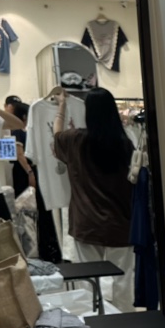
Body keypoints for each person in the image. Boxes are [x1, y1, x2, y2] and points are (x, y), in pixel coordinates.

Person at [53, 87, 134, 310]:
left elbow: (56, 135)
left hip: (87, 220)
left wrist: (62, 106)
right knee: (123, 280)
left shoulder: (75, 140)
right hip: (121, 221)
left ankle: (96, 321)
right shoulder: (125, 144)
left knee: (89, 281)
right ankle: (126, 321)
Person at [11, 101, 62, 263]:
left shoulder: (25, 131)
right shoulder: (17, 130)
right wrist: (30, 172)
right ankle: (37, 248)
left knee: (38, 210)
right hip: (25, 173)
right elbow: (19, 154)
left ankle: (44, 247)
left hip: (30, 172)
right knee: (31, 210)